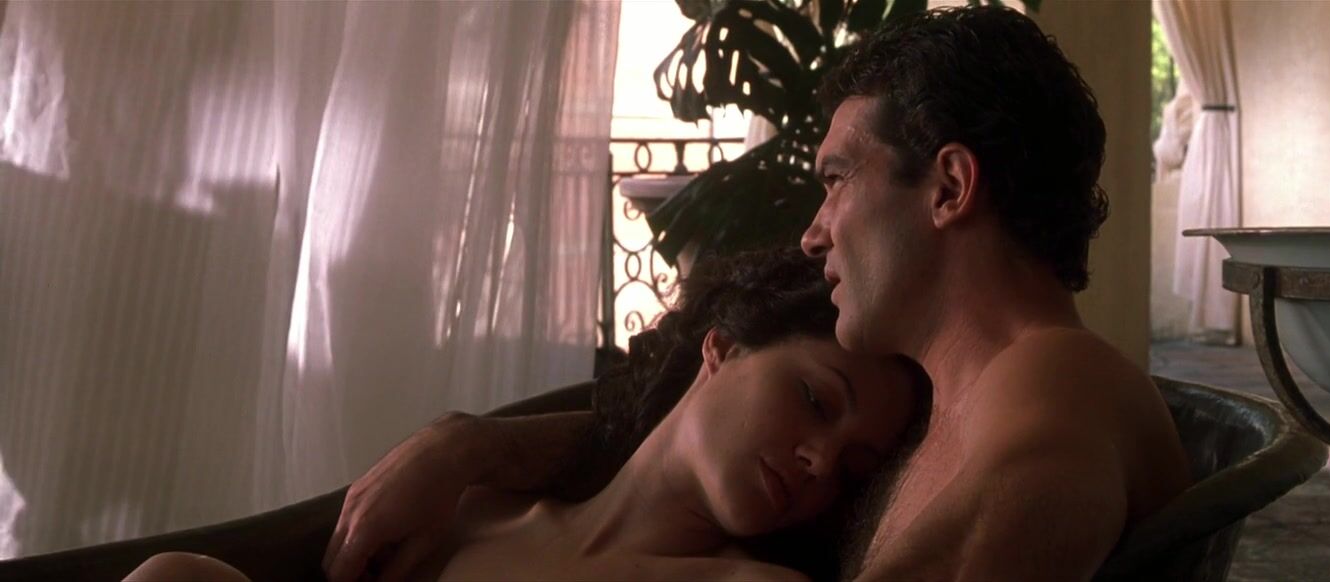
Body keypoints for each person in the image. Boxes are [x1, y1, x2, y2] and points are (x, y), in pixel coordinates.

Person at [326, 6, 1192, 582]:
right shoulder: (936, 410)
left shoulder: (1060, 382)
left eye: (838, 178)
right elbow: (691, 432)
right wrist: (471, 447)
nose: (814, 233)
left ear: (949, 187)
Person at [126, 248, 929, 581]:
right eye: (816, 400)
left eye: (854, 466)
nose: (822, 462)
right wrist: (463, 447)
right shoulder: (468, 512)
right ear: (723, 347)